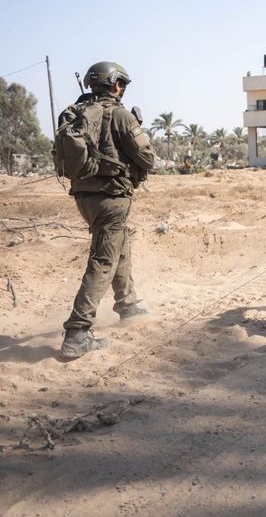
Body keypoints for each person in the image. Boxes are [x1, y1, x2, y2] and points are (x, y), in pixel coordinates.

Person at [60, 61, 157, 359]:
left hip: (83, 197)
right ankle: (77, 332)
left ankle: (127, 305)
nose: (123, 89)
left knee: (119, 247)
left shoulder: (75, 113)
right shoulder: (121, 116)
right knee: (103, 260)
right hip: (112, 198)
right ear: (114, 84)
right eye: (122, 84)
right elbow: (148, 158)